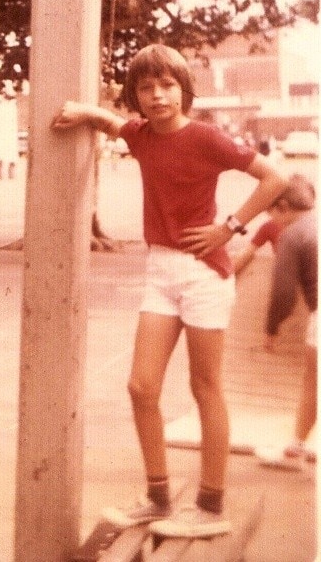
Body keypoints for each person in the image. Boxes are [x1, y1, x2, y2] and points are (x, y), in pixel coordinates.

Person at [52, 44, 286, 539]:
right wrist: (83, 111)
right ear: (136, 95)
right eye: (146, 88)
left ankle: (209, 505)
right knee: (141, 386)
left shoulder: (205, 137)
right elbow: (115, 124)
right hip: (160, 271)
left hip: (204, 274)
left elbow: (274, 177)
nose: (157, 96)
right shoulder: (141, 135)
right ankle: (157, 495)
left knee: (206, 389)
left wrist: (229, 227)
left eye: (167, 86)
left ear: (184, 90)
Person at [254, 174, 317, 469]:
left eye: (270, 211)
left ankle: (296, 449)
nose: (271, 219)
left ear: (282, 206)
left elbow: (283, 293)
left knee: (312, 382)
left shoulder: (293, 234)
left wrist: (271, 329)